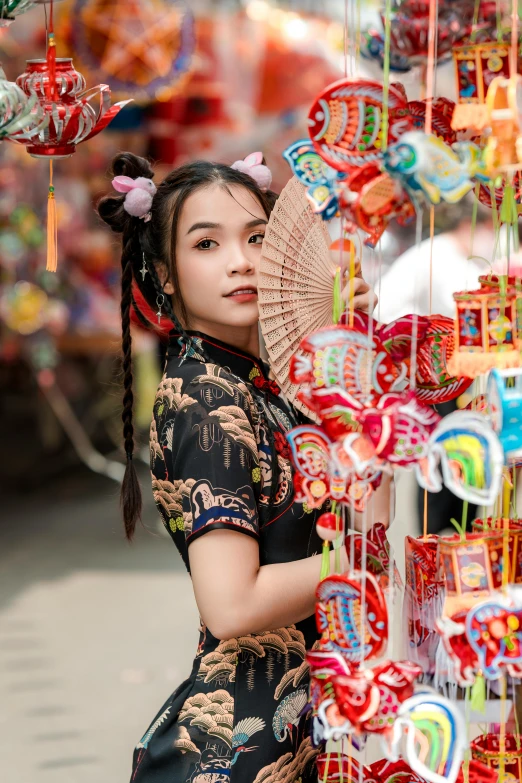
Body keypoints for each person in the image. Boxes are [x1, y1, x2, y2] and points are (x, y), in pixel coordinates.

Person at [97, 152, 386, 783]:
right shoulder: (206, 394)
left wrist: (344, 336)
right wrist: (368, 565)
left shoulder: (260, 383)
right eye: (206, 243)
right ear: (167, 275)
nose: (241, 261)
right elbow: (231, 604)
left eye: (258, 238)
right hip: (244, 754)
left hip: (299, 729)